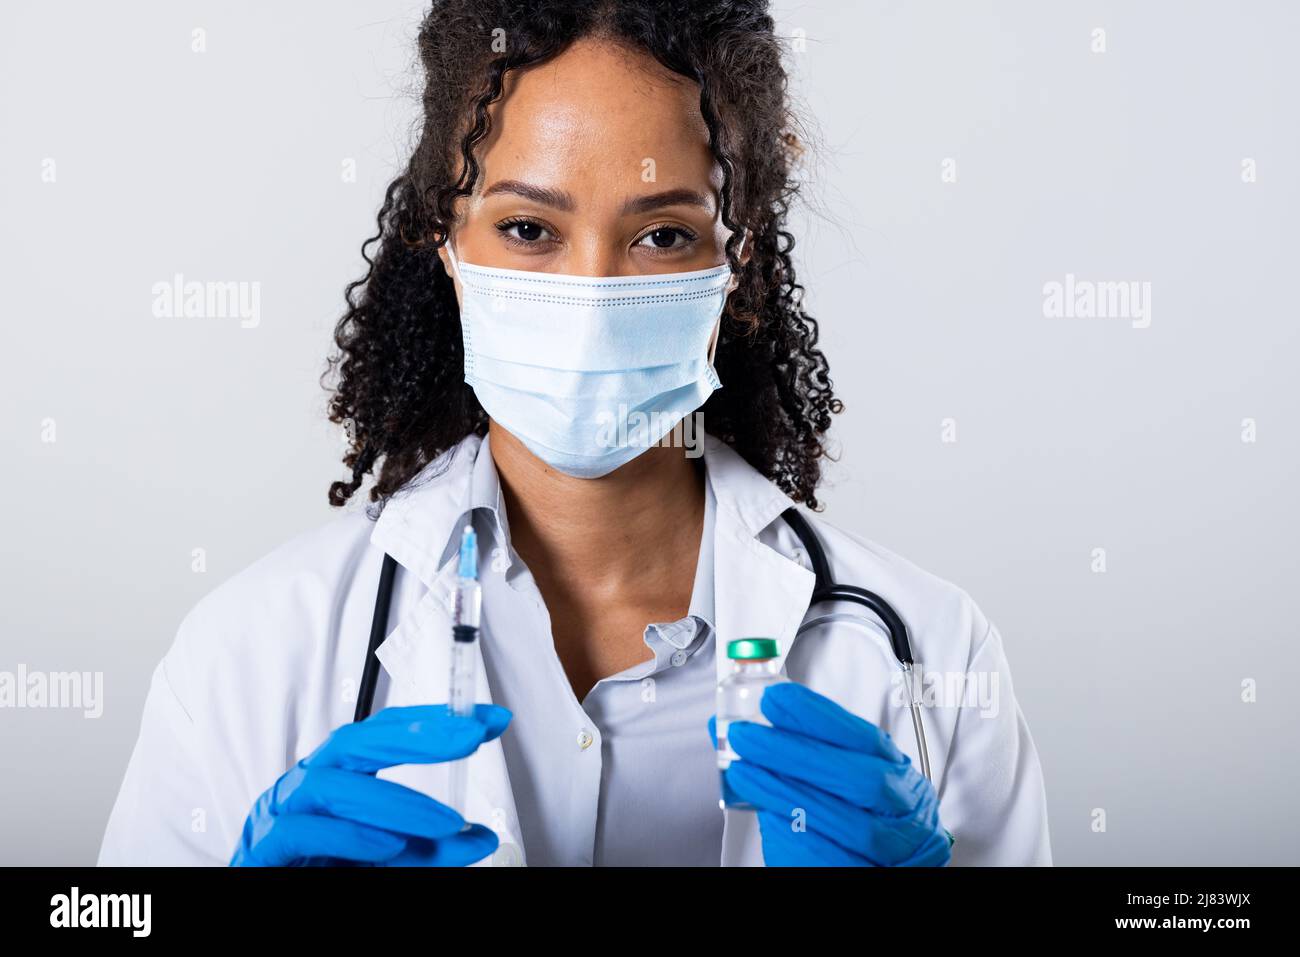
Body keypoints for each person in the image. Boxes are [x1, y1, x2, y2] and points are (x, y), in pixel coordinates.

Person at [98, 0, 1051, 867]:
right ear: (449, 244)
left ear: (736, 264)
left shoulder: (929, 652)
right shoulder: (252, 649)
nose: (590, 294)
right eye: (527, 229)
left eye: (662, 235)